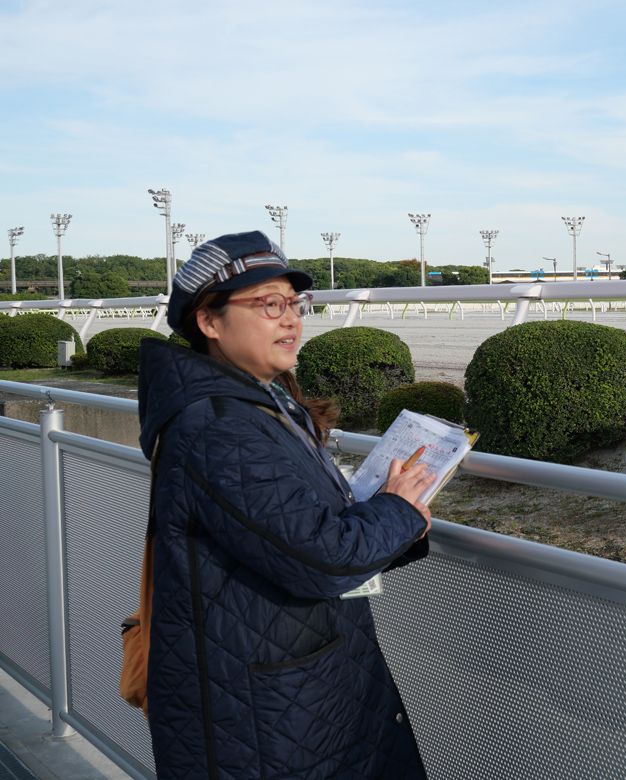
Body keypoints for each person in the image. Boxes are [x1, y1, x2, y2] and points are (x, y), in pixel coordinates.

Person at [137, 230, 434, 779]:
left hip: (292, 681)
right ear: (209, 322)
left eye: (295, 303)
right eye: (269, 304)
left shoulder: (262, 403)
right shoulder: (218, 428)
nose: (291, 319)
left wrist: (400, 521)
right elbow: (320, 554)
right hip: (263, 710)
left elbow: (295, 528)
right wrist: (396, 512)